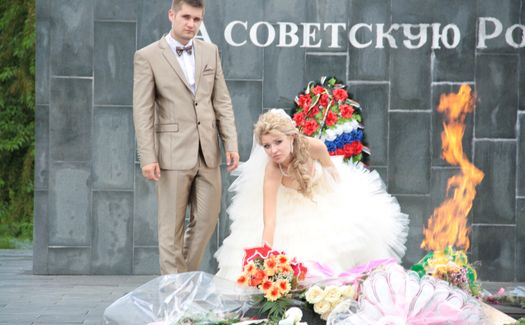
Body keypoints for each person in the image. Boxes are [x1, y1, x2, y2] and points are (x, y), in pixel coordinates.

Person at [215, 109, 408, 280]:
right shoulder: (272, 171)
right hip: (290, 209)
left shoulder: (314, 147)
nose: (273, 150)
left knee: (346, 240)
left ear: (291, 137)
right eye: (266, 145)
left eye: (278, 142)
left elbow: (335, 177)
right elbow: (270, 221)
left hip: (323, 198)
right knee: (299, 253)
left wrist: (342, 210)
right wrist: (266, 257)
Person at [133, 0, 239, 275]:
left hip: (208, 151)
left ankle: (183, 281)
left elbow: (222, 100)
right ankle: (175, 294)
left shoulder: (210, 51)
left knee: (206, 220)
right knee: (171, 228)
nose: (191, 24)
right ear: (172, 15)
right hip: (171, 153)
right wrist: (148, 156)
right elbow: (142, 111)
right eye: (186, 17)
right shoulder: (147, 56)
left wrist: (231, 143)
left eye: (197, 19)